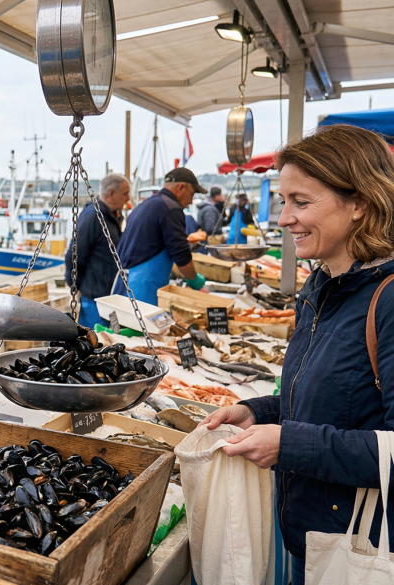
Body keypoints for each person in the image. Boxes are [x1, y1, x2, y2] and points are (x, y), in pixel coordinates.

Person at [200, 124, 394, 585]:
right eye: (283, 200)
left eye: (301, 202)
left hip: (363, 549)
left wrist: (288, 444)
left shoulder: (387, 300)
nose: (284, 218)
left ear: (360, 203)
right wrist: (258, 411)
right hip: (315, 539)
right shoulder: (321, 284)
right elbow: (331, 397)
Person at [111, 167, 207, 304]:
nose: (191, 201)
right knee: (142, 325)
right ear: (181, 187)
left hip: (124, 282)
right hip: (144, 287)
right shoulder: (172, 209)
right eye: (191, 195)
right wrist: (193, 278)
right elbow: (180, 253)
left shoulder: (145, 205)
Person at [64, 173, 129, 328]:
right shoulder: (93, 217)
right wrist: (74, 284)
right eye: (125, 194)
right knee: (93, 342)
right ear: (111, 194)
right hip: (93, 297)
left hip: (108, 296)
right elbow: (74, 255)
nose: (128, 199)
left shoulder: (112, 216)